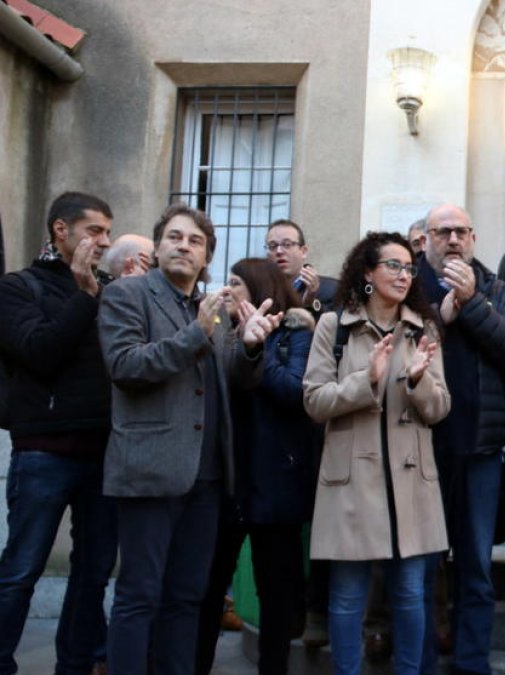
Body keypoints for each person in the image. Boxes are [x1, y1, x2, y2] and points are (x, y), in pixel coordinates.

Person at [99, 203, 277, 675]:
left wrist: (251, 348)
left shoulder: (212, 310)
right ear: (157, 248)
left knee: (188, 598)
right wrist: (197, 332)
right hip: (151, 470)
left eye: (195, 241)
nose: (184, 246)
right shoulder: (128, 296)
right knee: (139, 597)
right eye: (174, 237)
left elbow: (230, 379)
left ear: (206, 258)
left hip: (208, 478)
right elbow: (126, 366)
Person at [301, 232, 450, 675]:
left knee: (409, 594)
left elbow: (440, 408)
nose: (405, 275)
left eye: (409, 268)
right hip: (350, 480)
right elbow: (314, 401)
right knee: (347, 597)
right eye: (393, 266)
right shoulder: (334, 326)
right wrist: (367, 380)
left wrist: (418, 380)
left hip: (410, 481)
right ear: (368, 272)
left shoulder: (423, 328)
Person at [0, 192, 117, 675]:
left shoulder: (109, 288)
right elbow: (38, 351)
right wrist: (83, 296)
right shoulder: (18, 287)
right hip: (43, 453)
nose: (104, 242)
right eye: (95, 231)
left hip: (105, 454)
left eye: (109, 233)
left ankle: (75, 665)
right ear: (60, 231)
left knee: (92, 576)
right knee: (21, 572)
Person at [417, 203, 505, 675]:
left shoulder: (497, 288)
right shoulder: (407, 284)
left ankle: (471, 664)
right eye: (441, 231)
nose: (452, 239)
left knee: (477, 570)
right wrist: (441, 317)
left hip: (481, 450)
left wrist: (473, 306)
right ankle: (419, 662)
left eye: (461, 231)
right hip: (420, 451)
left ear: (474, 237)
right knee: (420, 569)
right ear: (424, 238)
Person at [195, 258, 320, 675]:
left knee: (277, 592)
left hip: (276, 479)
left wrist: (256, 347)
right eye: (226, 281)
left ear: (260, 288)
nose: (226, 290)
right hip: (225, 477)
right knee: (209, 588)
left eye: (236, 282)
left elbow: (292, 392)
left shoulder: (297, 334)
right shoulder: (214, 333)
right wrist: (236, 342)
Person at [265, 219, 339, 316]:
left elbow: (334, 328)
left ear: (303, 251)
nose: (279, 251)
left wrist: (311, 303)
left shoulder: (333, 289)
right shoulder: (260, 291)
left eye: (287, 244)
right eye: (273, 246)